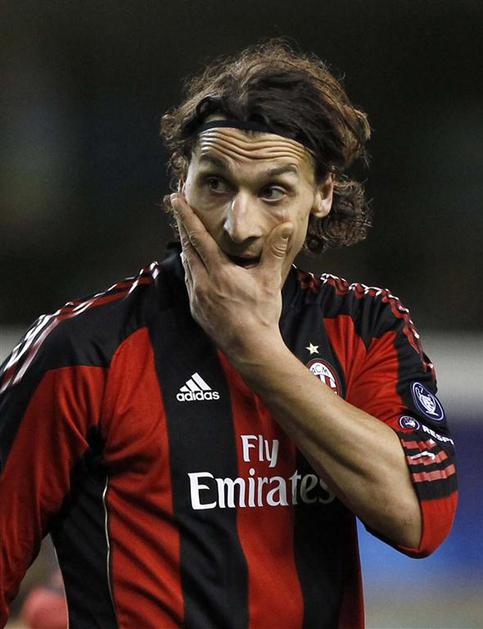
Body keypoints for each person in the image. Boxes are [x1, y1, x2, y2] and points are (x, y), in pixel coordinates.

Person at [0, 40, 457, 629]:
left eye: (272, 191)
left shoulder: (366, 327)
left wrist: (255, 350)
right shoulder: (81, 350)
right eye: (216, 184)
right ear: (181, 180)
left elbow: (420, 521)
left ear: (322, 193)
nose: (239, 226)